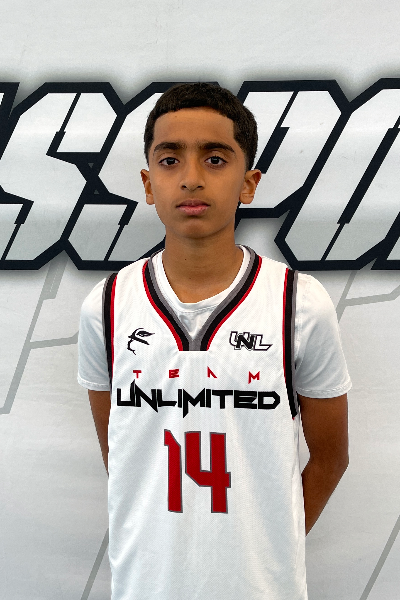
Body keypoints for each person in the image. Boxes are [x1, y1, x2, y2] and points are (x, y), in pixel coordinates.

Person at [78, 82, 351, 600]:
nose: (191, 177)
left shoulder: (299, 303)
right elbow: (123, 453)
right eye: (170, 160)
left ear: (249, 183)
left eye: (215, 159)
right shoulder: (107, 306)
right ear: (148, 183)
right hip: (146, 586)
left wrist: (273, 544)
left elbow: (331, 457)